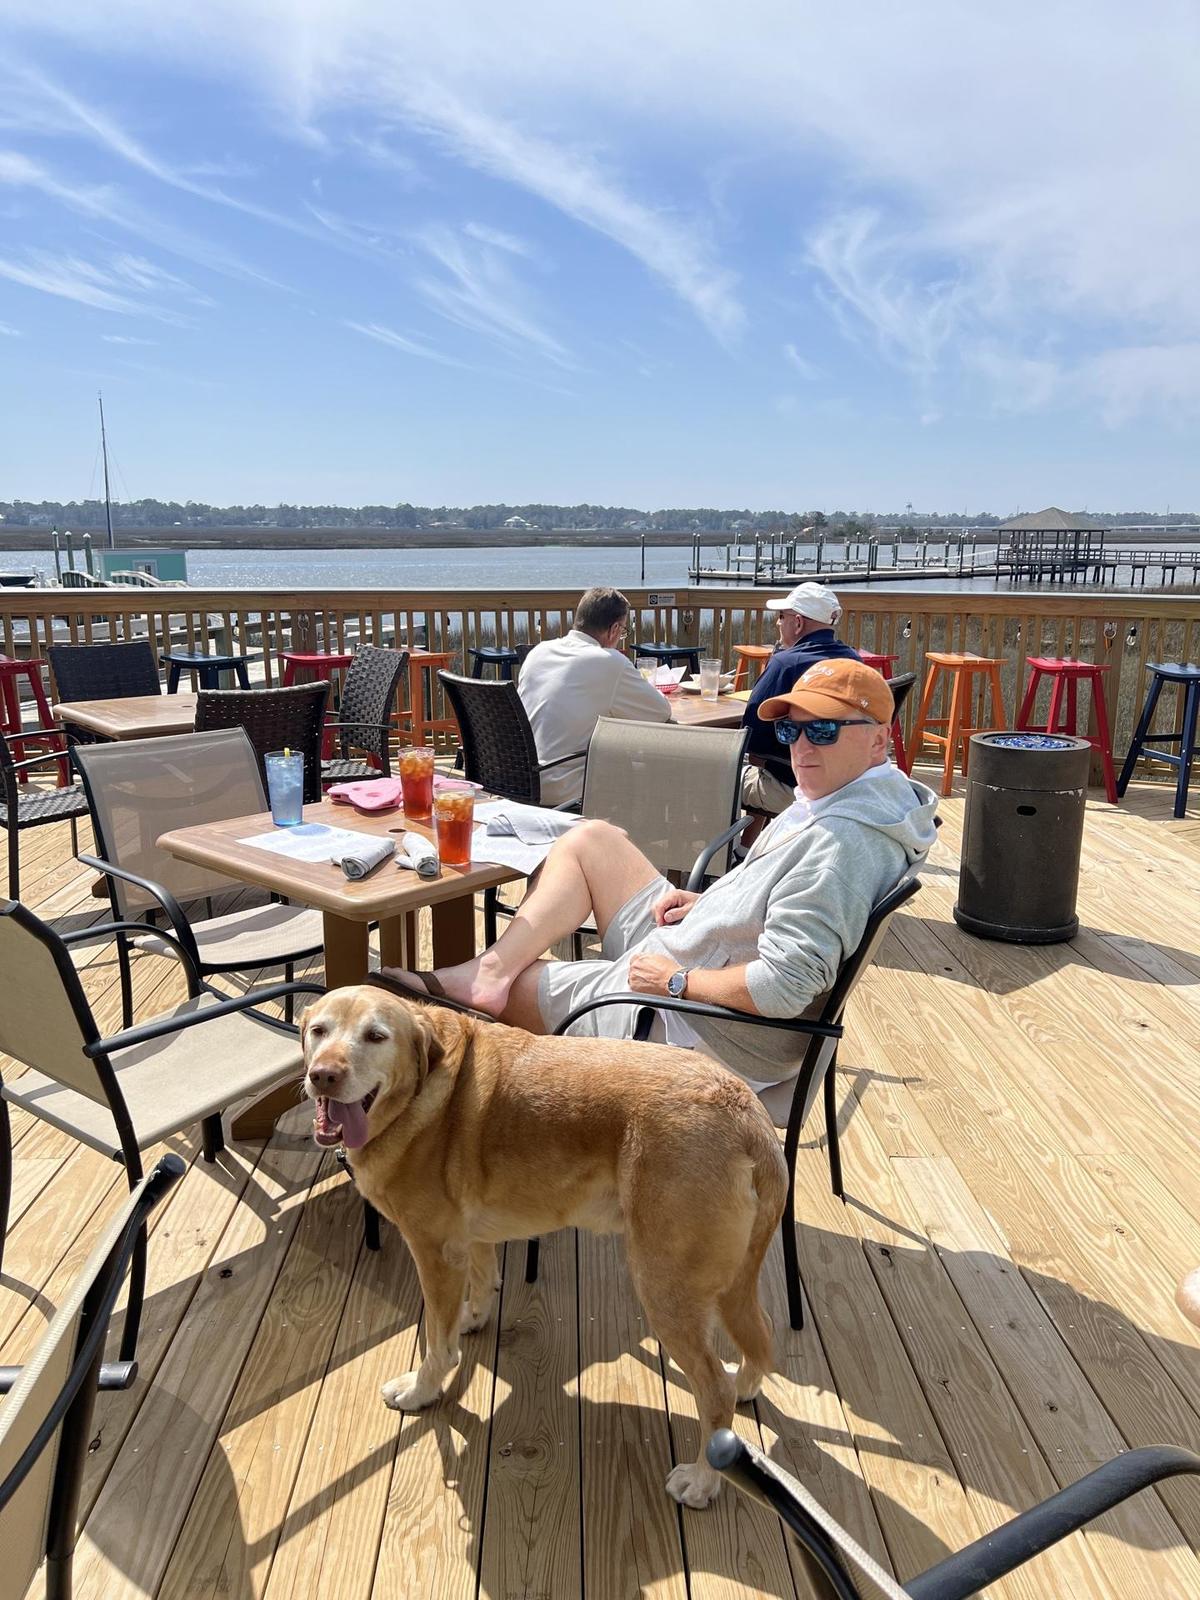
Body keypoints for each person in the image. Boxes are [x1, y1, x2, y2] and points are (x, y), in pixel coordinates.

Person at [392, 661, 938, 1092]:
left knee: (506, 994)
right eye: (792, 730)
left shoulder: (842, 845)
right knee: (591, 839)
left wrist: (674, 983)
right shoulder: (860, 799)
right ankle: (487, 970)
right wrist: (711, 900)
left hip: (698, 1023)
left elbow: (785, 985)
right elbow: (779, 898)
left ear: (879, 740)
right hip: (698, 947)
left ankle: (482, 1012)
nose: (801, 746)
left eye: (822, 729)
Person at [517, 585, 670, 806]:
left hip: (521, 779)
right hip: (566, 788)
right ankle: (644, 835)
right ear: (615, 629)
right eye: (623, 631)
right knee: (652, 770)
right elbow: (661, 712)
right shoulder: (609, 661)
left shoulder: (538, 652)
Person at [741, 582, 862, 819]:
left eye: (781, 616)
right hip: (843, 786)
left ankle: (728, 852)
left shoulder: (787, 664)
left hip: (795, 789)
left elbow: (750, 736)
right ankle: (748, 849)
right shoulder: (853, 661)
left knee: (716, 775)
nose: (777, 623)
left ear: (797, 623)